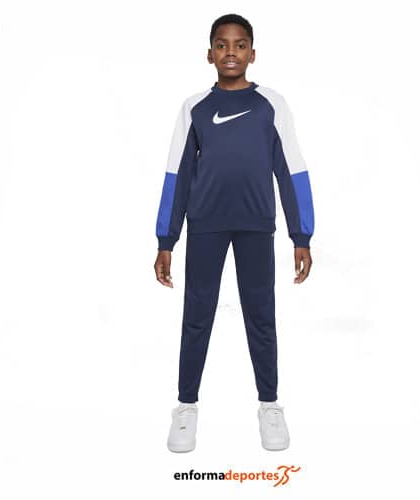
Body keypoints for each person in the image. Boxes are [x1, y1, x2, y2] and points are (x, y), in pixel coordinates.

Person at [154, 13, 315, 452]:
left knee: (261, 316)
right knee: (197, 316)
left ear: (252, 53)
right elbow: (177, 175)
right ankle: (186, 407)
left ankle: (270, 405)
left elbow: (292, 170)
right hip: (205, 225)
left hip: (256, 225)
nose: (231, 52)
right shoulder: (194, 108)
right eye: (222, 45)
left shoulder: (271, 105)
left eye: (239, 45)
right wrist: (166, 240)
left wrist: (301, 235)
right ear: (209, 54)